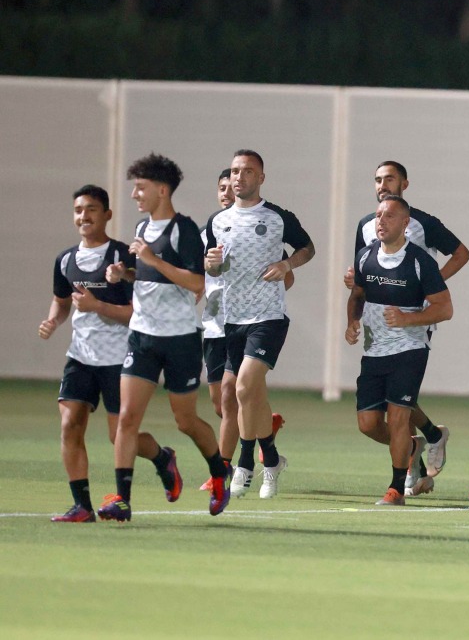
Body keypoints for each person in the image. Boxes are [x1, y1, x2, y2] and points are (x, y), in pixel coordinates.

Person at [97, 154, 228, 521]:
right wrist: (123, 273)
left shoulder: (183, 230)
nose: (135, 194)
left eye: (141, 187)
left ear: (162, 190)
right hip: (143, 336)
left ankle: (219, 472)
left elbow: (196, 283)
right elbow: (144, 274)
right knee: (126, 419)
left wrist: (152, 261)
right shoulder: (142, 228)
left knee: (185, 421)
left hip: (180, 339)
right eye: (134, 187)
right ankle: (121, 500)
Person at [40, 185, 181, 522]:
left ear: (107, 214)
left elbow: (140, 312)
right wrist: (52, 321)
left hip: (121, 359)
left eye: (91, 209)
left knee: (120, 435)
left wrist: (97, 305)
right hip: (81, 357)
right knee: (70, 424)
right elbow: (61, 302)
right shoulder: (65, 260)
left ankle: (162, 458)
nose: (83, 216)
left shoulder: (125, 257)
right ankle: (82, 506)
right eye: (78, 210)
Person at [344, 161, 466, 494]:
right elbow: (361, 281)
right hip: (376, 334)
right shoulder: (367, 228)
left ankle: (399, 483)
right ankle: (428, 437)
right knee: (376, 417)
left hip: (415, 323)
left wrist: (427, 287)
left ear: (405, 183)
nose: (383, 184)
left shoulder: (422, 227)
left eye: (390, 179)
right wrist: (352, 314)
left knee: (398, 407)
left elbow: (461, 253)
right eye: (378, 180)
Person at [204, 150, 315, 499]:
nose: (239, 177)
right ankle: (272, 460)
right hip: (231, 320)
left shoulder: (278, 217)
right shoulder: (217, 221)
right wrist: (211, 264)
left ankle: (246, 463)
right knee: (253, 395)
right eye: (235, 171)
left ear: (261, 178)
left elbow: (308, 248)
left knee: (243, 388)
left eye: (247, 171)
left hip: (268, 317)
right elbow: (214, 271)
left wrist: (286, 266)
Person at [197, 169, 288, 492]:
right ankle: (268, 439)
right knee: (225, 401)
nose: (226, 192)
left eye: (230, 186)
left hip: (253, 319)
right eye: (221, 187)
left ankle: (231, 466)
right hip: (216, 323)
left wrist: (277, 273)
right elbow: (200, 278)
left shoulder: (262, 228)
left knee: (236, 391)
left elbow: (286, 274)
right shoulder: (213, 228)